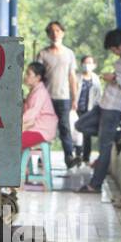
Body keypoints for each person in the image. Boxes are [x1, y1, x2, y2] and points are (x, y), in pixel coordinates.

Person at [79, 28, 121, 194]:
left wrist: (114, 78)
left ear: (120, 46)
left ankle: (95, 184)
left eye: (113, 49)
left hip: (115, 106)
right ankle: (117, 136)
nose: (113, 52)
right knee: (81, 125)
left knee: (104, 148)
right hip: (105, 103)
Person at [36, 20, 80, 167]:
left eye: (58, 31)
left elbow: (72, 77)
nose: (55, 34)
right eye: (52, 31)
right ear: (48, 35)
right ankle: (43, 158)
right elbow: (37, 77)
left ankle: (69, 157)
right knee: (46, 128)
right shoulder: (43, 54)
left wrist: (75, 98)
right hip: (46, 97)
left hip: (64, 97)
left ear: (63, 33)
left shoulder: (69, 54)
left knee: (65, 127)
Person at [21, 60, 59, 157]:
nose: (25, 76)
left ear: (38, 77)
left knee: (14, 141)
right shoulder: (34, 91)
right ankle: (22, 168)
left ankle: (20, 169)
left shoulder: (40, 93)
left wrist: (15, 123)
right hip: (35, 127)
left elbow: (31, 114)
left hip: (42, 129)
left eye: (28, 74)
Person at [74, 53, 103, 164]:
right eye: (85, 63)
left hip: (90, 110)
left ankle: (86, 157)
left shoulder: (96, 79)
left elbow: (99, 95)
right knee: (75, 132)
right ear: (81, 64)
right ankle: (77, 154)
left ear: (94, 65)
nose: (87, 65)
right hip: (77, 108)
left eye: (90, 63)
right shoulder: (77, 77)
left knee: (87, 134)